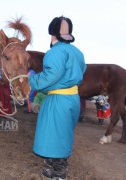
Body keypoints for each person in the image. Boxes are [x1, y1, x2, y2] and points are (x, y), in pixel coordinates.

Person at [28, 16, 86, 179]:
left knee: (55, 134)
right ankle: (50, 167)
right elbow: (80, 71)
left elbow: (50, 76)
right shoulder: (77, 52)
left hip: (58, 100)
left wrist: (30, 80)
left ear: (52, 33)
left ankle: (59, 171)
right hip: (72, 99)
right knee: (61, 133)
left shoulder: (55, 52)